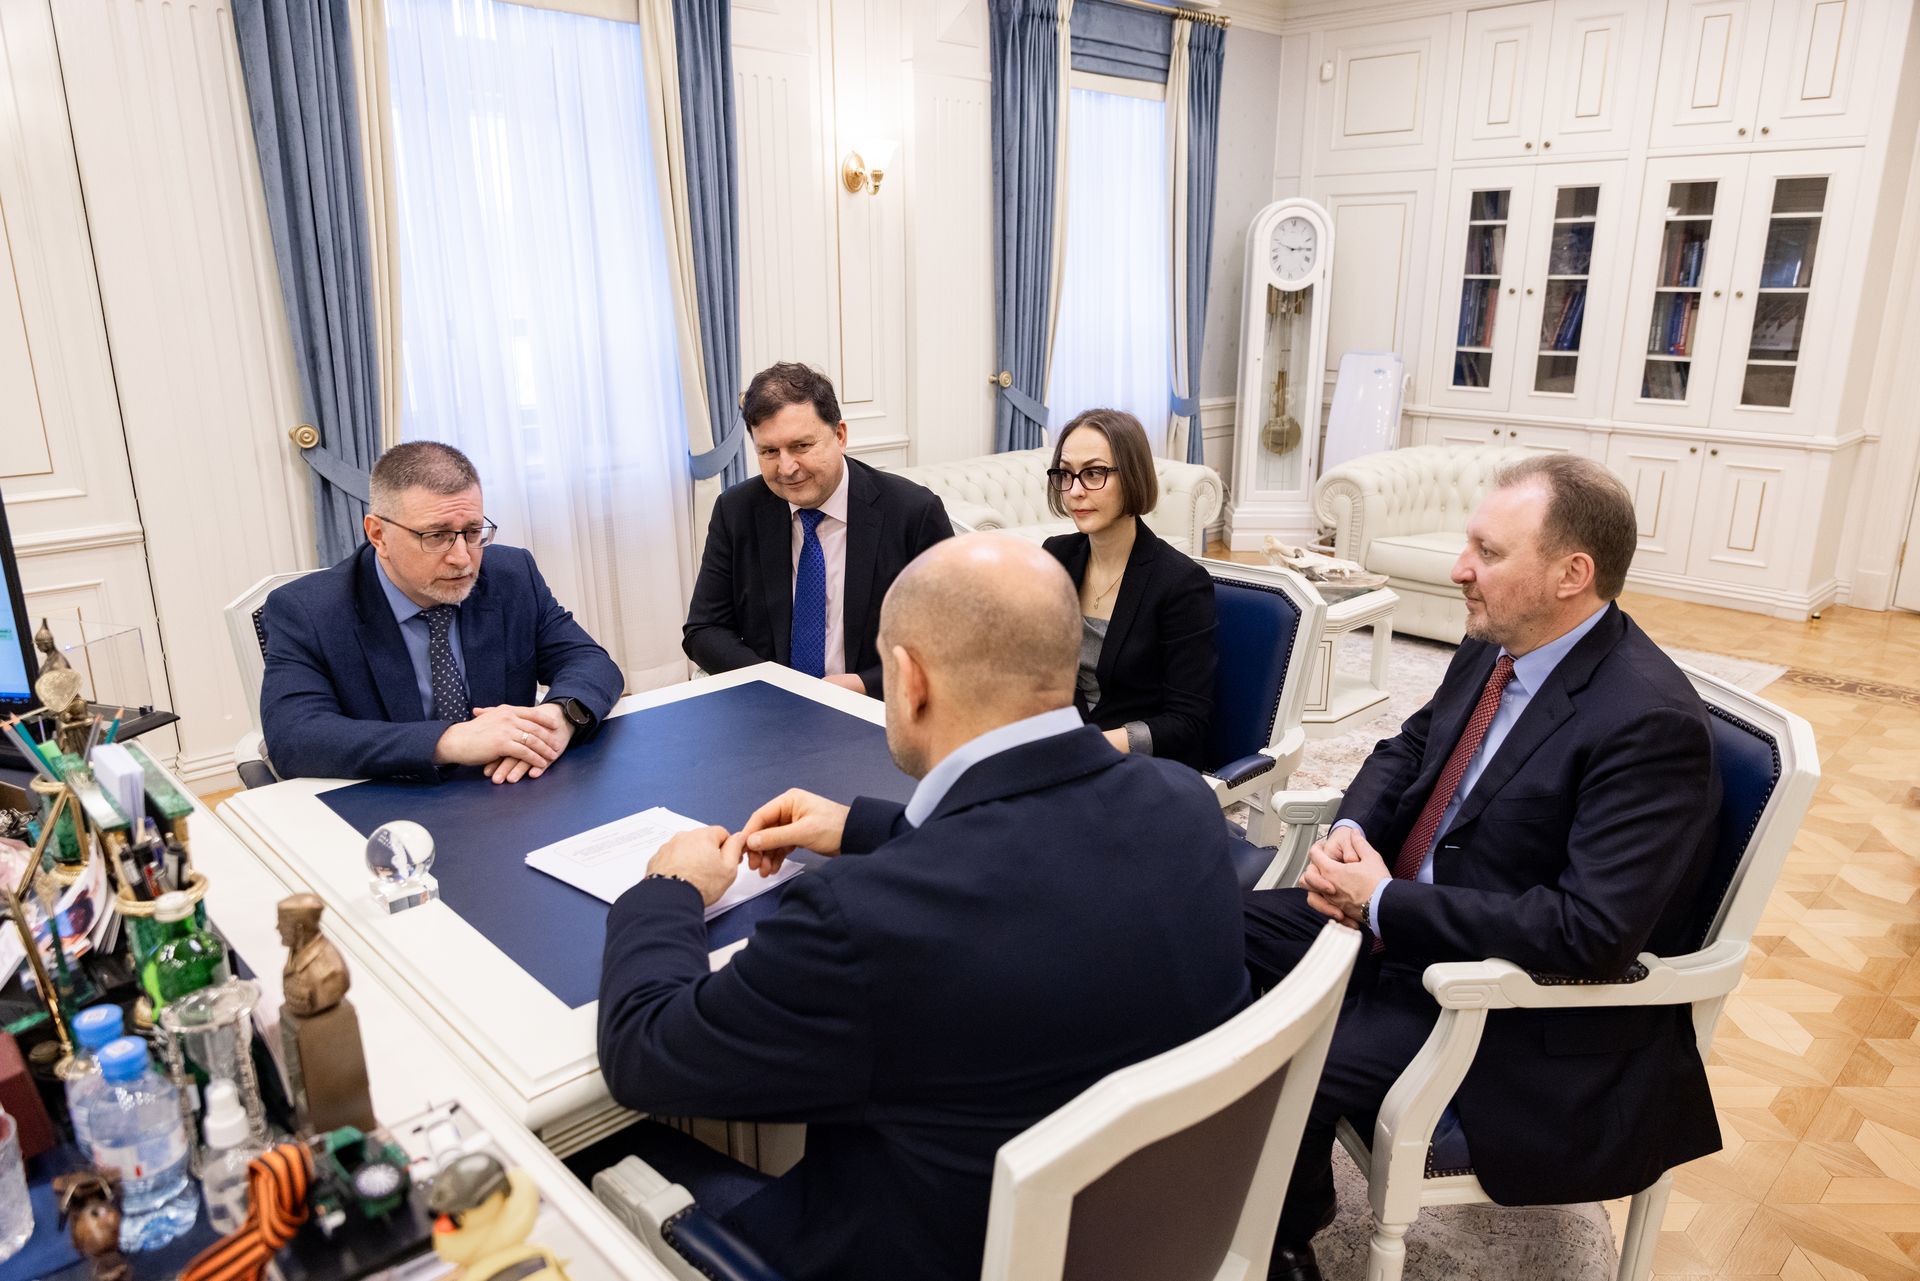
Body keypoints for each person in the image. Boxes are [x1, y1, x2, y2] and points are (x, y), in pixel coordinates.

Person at [599, 534, 1249, 1281]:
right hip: (1149, 1234)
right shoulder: (1185, 805)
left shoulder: (855, 921)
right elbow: (1034, 861)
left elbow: (645, 1051)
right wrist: (865, 827)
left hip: (920, 1251)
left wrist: (669, 888)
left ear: (907, 680)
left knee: (599, 1158)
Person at [1245, 455, 1723, 1281]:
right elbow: (1410, 746)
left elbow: (1591, 931)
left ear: (1572, 574)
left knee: (1275, 1069)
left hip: (1493, 1000)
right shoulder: (1499, 643)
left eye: (1489, 552)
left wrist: (1384, 902)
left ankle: (1281, 1244)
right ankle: (1274, 1190)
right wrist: (1355, 830)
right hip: (1402, 927)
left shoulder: (1649, 722)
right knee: (1202, 928)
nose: (1460, 568)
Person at [259, 442, 623, 783]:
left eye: (472, 531)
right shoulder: (307, 610)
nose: (462, 558)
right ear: (378, 534)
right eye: (435, 536)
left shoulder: (511, 575)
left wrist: (560, 716)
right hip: (393, 800)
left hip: (511, 790)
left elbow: (590, 662)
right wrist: (450, 741)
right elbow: (294, 738)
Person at [682, 362, 952, 696]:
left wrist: (865, 685)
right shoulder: (736, 510)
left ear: (840, 436)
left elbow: (951, 640)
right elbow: (704, 630)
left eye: (801, 446)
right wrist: (780, 685)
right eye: (769, 451)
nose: (786, 468)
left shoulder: (912, 512)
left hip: (878, 708)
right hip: (772, 705)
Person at [1041, 409, 1216, 769]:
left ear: (1133, 475)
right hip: (1066, 750)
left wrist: (1084, 747)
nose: (1075, 491)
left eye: (1093, 473)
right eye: (1065, 473)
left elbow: (1187, 722)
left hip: (1143, 766)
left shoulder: (1181, 582)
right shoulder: (1056, 556)